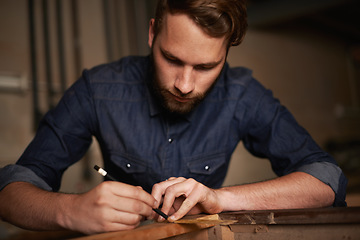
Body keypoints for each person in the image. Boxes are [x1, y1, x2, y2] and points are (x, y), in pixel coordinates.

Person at [0, 0, 347, 235]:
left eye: (206, 67)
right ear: (152, 34)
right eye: (171, 58)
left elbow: (326, 180)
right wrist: (71, 211)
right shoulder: (99, 88)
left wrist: (220, 199)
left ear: (226, 54)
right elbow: (9, 192)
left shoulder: (243, 94)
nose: (184, 84)